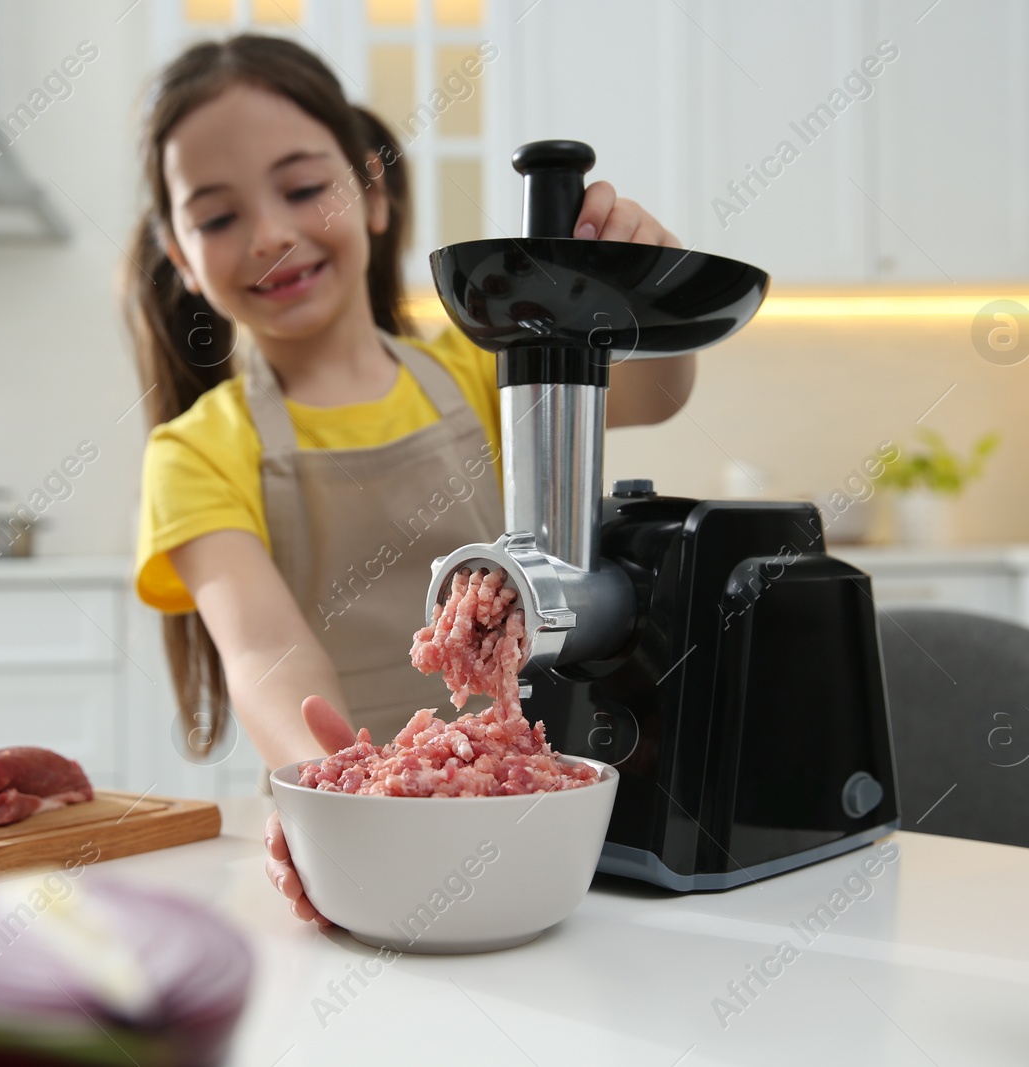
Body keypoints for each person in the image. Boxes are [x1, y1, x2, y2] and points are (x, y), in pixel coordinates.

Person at [125, 33, 695, 926]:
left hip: (536, 816)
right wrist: (339, 790)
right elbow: (268, 653)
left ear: (374, 195)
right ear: (178, 251)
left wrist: (635, 282)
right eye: (217, 215)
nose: (270, 232)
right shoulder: (196, 449)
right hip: (361, 833)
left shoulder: (477, 369)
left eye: (304, 188)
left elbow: (661, 389)